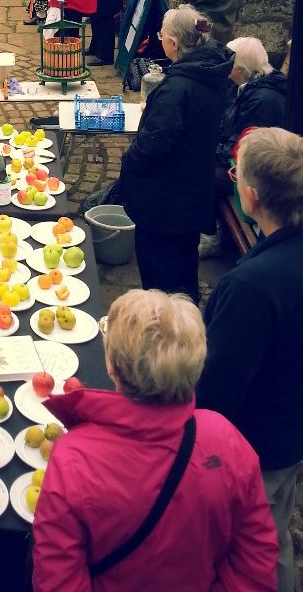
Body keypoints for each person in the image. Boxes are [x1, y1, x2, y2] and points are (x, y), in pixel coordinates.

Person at [33, 288, 278, 591]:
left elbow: (59, 577)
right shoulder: (227, 439)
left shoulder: (74, 457)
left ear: (111, 366)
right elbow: (254, 559)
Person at [196, 128, 303, 592]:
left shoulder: (251, 287)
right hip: (290, 427)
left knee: (253, 541)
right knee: (274, 531)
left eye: (236, 174)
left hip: (255, 443)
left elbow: (216, 389)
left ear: (251, 196)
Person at [119, 5, 233, 300]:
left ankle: (164, 333)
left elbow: (153, 145)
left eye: (162, 36)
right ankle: (188, 321)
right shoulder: (211, 73)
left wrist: (129, 160)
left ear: (174, 43)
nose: (160, 41)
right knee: (185, 266)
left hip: (165, 200)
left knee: (161, 278)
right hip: (193, 188)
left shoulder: (180, 86)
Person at [199, 36, 288, 258]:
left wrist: (211, 153)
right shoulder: (247, 86)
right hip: (240, 157)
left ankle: (210, 235)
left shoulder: (263, 99)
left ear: (239, 68)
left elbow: (245, 144)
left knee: (201, 174)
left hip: (254, 168)